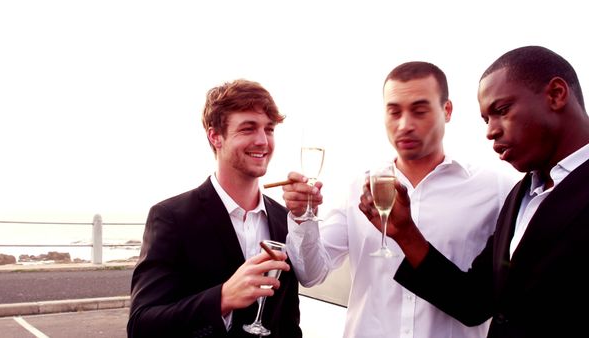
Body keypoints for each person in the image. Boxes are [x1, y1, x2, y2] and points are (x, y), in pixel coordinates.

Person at [359, 46, 589, 338]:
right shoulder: (521, 195)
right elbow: (473, 303)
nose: (490, 131)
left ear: (556, 94)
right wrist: (405, 233)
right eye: (486, 119)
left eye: (502, 111)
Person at [283, 61, 516, 337]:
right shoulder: (359, 187)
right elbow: (311, 274)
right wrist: (301, 218)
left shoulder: (497, 189)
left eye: (419, 111)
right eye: (394, 112)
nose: (405, 125)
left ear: (447, 110)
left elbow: (497, 298)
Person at [127, 79, 302, 337]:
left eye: (269, 129)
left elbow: (288, 325)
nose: (263, 141)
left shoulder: (285, 219)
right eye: (248, 128)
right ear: (215, 136)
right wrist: (222, 298)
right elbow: (142, 325)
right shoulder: (171, 217)